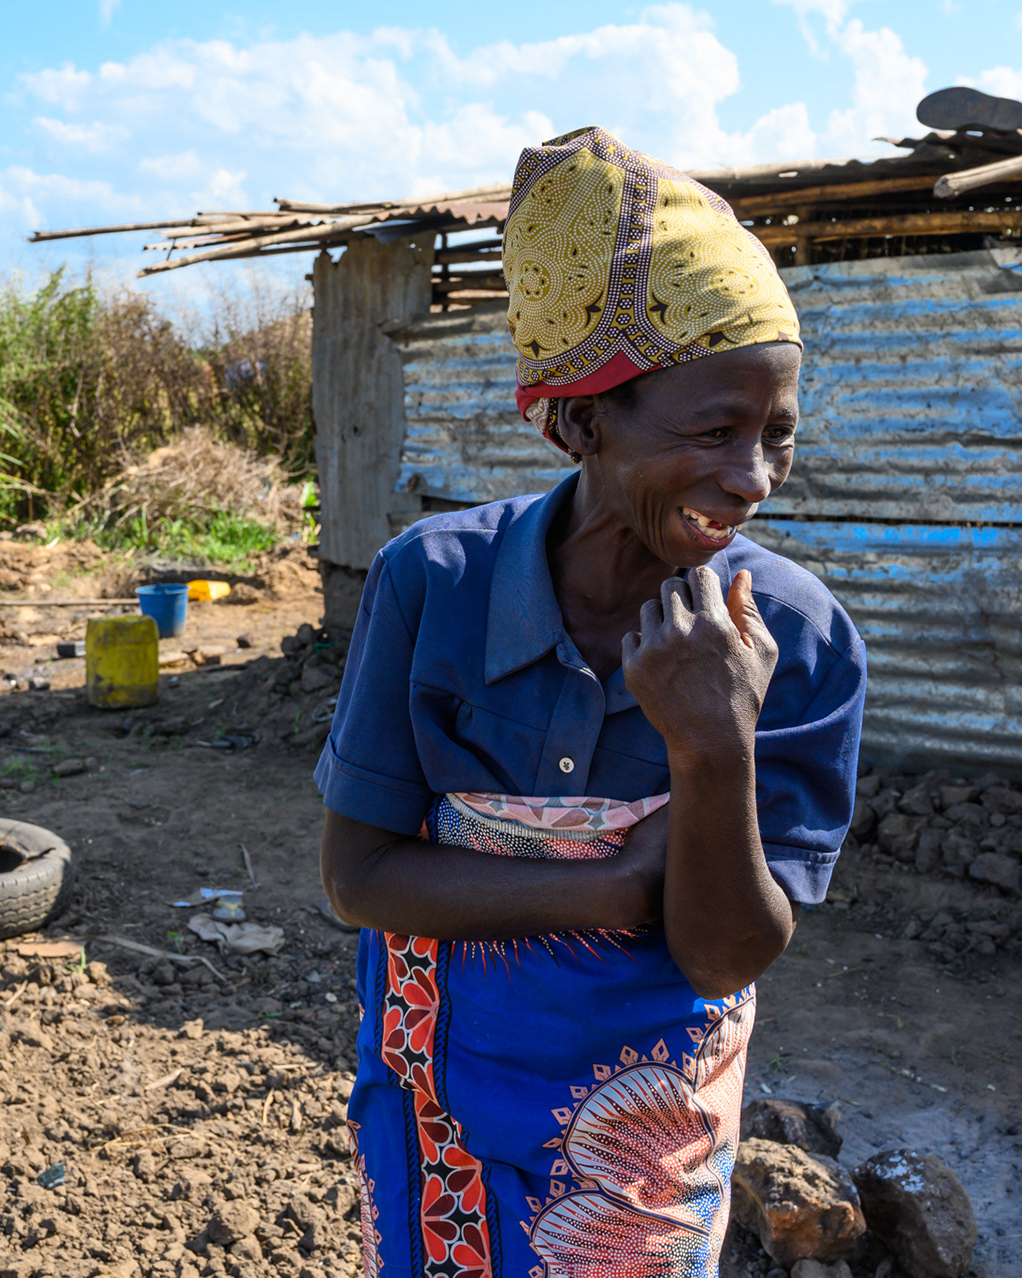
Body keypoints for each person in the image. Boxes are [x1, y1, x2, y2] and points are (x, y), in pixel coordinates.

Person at [315, 126, 867, 1278]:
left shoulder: (795, 639)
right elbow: (360, 877)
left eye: (776, 433)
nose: (752, 478)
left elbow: (721, 958)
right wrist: (623, 885)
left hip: (644, 1145)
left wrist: (714, 742)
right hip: (436, 1098)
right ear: (578, 424)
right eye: (713, 432)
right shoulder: (435, 585)